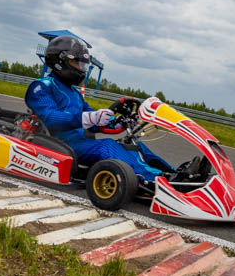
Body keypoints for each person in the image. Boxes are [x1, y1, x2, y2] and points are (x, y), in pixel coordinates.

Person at [24, 35, 169, 182]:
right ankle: (154, 179)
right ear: (60, 61)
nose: (81, 69)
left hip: (80, 143)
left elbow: (91, 118)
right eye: (76, 63)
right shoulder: (42, 86)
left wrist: (116, 122)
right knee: (107, 146)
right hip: (60, 143)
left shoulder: (74, 93)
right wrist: (87, 118)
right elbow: (49, 117)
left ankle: (173, 175)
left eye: (82, 65)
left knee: (134, 146)